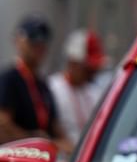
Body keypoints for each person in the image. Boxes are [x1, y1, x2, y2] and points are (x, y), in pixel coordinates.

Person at [0, 16, 67, 150]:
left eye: (43, 43)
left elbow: (56, 128)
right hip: (15, 156)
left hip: (41, 154)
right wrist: (32, 139)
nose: (39, 47)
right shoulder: (9, 79)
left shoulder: (43, 85)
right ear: (18, 41)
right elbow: (2, 125)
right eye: (33, 41)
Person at [48, 29, 108, 146]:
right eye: (88, 68)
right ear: (73, 63)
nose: (92, 73)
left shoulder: (95, 92)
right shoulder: (52, 88)